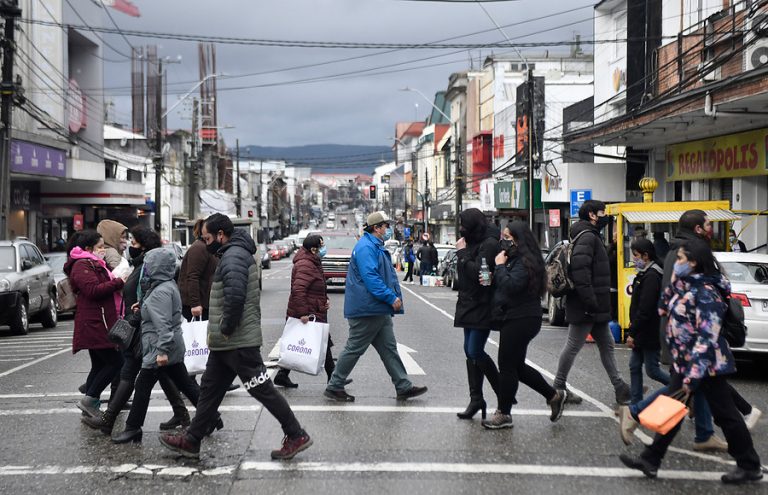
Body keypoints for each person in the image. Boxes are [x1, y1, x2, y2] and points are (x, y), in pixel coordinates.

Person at [160, 214, 312, 460]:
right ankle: (191, 440)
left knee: (262, 389)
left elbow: (235, 297)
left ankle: (296, 434)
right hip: (227, 342)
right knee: (210, 390)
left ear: (221, 235)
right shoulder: (233, 253)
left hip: (237, 341)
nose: (206, 243)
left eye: (208, 238)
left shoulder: (233, 257)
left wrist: (226, 328)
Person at [620, 240, 763, 485]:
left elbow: (707, 338)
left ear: (695, 263)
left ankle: (749, 465)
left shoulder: (706, 293)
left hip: (705, 365)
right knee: (673, 410)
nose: (677, 263)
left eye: (681, 260)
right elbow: (663, 308)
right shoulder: (685, 286)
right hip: (686, 362)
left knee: (726, 415)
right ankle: (650, 459)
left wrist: (692, 376)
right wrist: (675, 277)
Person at [83, 226, 196, 434]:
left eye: (134, 243)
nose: (130, 247)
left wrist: (136, 317)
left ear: (145, 249)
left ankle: (120, 423)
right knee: (166, 376)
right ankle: (190, 415)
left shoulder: (149, 269)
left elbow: (156, 309)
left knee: (137, 377)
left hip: (144, 331)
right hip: (146, 330)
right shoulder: (143, 267)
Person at [324, 211, 427, 402]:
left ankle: (403, 386)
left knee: (389, 349)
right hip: (368, 308)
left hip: (376, 308)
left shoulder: (373, 246)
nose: (388, 229)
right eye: (386, 226)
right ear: (377, 228)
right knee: (355, 347)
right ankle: (335, 385)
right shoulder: (366, 247)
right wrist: (390, 297)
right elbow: (371, 277)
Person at [481, 221, 567, 429]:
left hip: (522, 319)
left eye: (508, 237)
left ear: (518, 240)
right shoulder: (516, 259)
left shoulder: (525, 261)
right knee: (516, 367)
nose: (504, 241)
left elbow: (512, 286)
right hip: (516, 317)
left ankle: (504, 413)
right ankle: (553, 395)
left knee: (507, 365)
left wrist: (500, 267)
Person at [112, 248, 203, 444]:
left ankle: (133, 428)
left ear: (156, 267)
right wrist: (143, 307)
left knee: (142, 386)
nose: (146, 269)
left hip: (159, 348)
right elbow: (162, 315)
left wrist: (161, 352)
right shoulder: (166, 285)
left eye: (149, 265)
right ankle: (212, 417)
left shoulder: (160, 291)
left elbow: (164, 326)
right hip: (168, 346)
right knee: (185, 384)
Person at [552, 199, 631, 406]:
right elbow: (581, 272)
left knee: (607, 344)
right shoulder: (588, 237)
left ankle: (620, 387)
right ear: (593, 216)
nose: (606, 216)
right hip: (587, 304)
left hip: (594, 304)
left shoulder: (589, 236)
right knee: (573, 345)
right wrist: (590, 301)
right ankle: (558, 387)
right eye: (602, 212)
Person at [274, 234, 350, 388]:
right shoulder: (305, 264)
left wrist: (324, 300)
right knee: (321, 341)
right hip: (307, 311)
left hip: (313, 308)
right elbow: (299, 289)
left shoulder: (313, 261)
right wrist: (303, 313)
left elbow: (316, 286)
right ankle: (334, 378)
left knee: (322, 341)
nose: (324, 249)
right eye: (321, 246)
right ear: (314, 248)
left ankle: (283, 375)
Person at [64, 230, 126, 418]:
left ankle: (90, 405)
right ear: (88, 249)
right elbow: (92, 290)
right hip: (94, 323)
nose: (103, 251)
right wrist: (118, 282)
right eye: (100, 247)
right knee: (116, 363)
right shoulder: (82, 264)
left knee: (99, 365)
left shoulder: (92, 263)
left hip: (100, 320)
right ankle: (89, 400)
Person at [454, 208, 500, 420]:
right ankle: (476, 399)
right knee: (468, 350)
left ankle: (503, 391)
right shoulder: (470, 239)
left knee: (475, 350)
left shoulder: (489, 243)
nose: (462, 229)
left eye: (465, 224)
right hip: (466, 302)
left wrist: (462, 254)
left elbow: (479, 275)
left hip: (482, 304)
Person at [626, 239, 669, 405]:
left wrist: (632, 333)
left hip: (648, 331)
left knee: (652, 370)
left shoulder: (652, 276)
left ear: (646, 255)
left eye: (636, 255)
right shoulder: (645, 272)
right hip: (642, 329)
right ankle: (635, 403)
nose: (634, 259)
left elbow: (645, 309)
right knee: (634, 365)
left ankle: (680, 390)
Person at [178, 219, 218, 321]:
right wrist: (195, 304)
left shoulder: (207, 247)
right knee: (198, 335)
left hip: (204, 304)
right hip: (197, 307)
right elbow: (192, 276)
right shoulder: (199, 248)